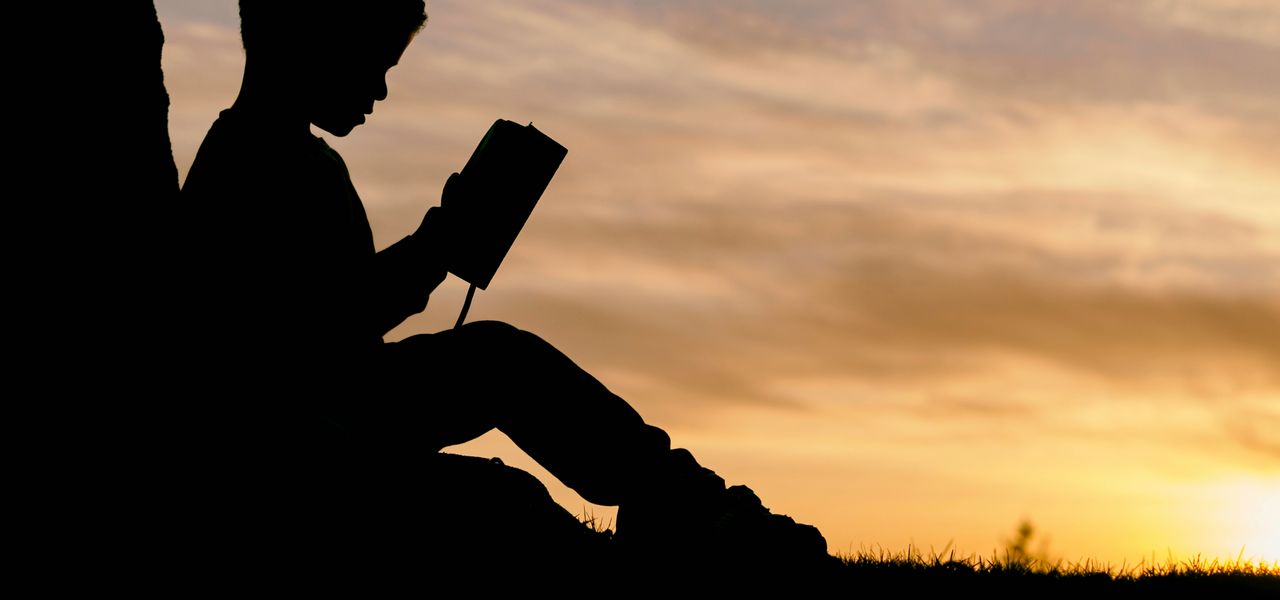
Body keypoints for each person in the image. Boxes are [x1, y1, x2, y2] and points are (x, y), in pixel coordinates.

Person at [180, 0, 827, 573]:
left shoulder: (287, 157)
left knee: (499, 360)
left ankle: (686, 509)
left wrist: (439, 242)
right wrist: (439, 245)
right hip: (298, 455)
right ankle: (692, 525)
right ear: (307, 39)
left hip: (339, 411)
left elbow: (340, 315)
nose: (378, 89)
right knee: (504, 497)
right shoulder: (250, 168)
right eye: (371, 62)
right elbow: (313, 337)